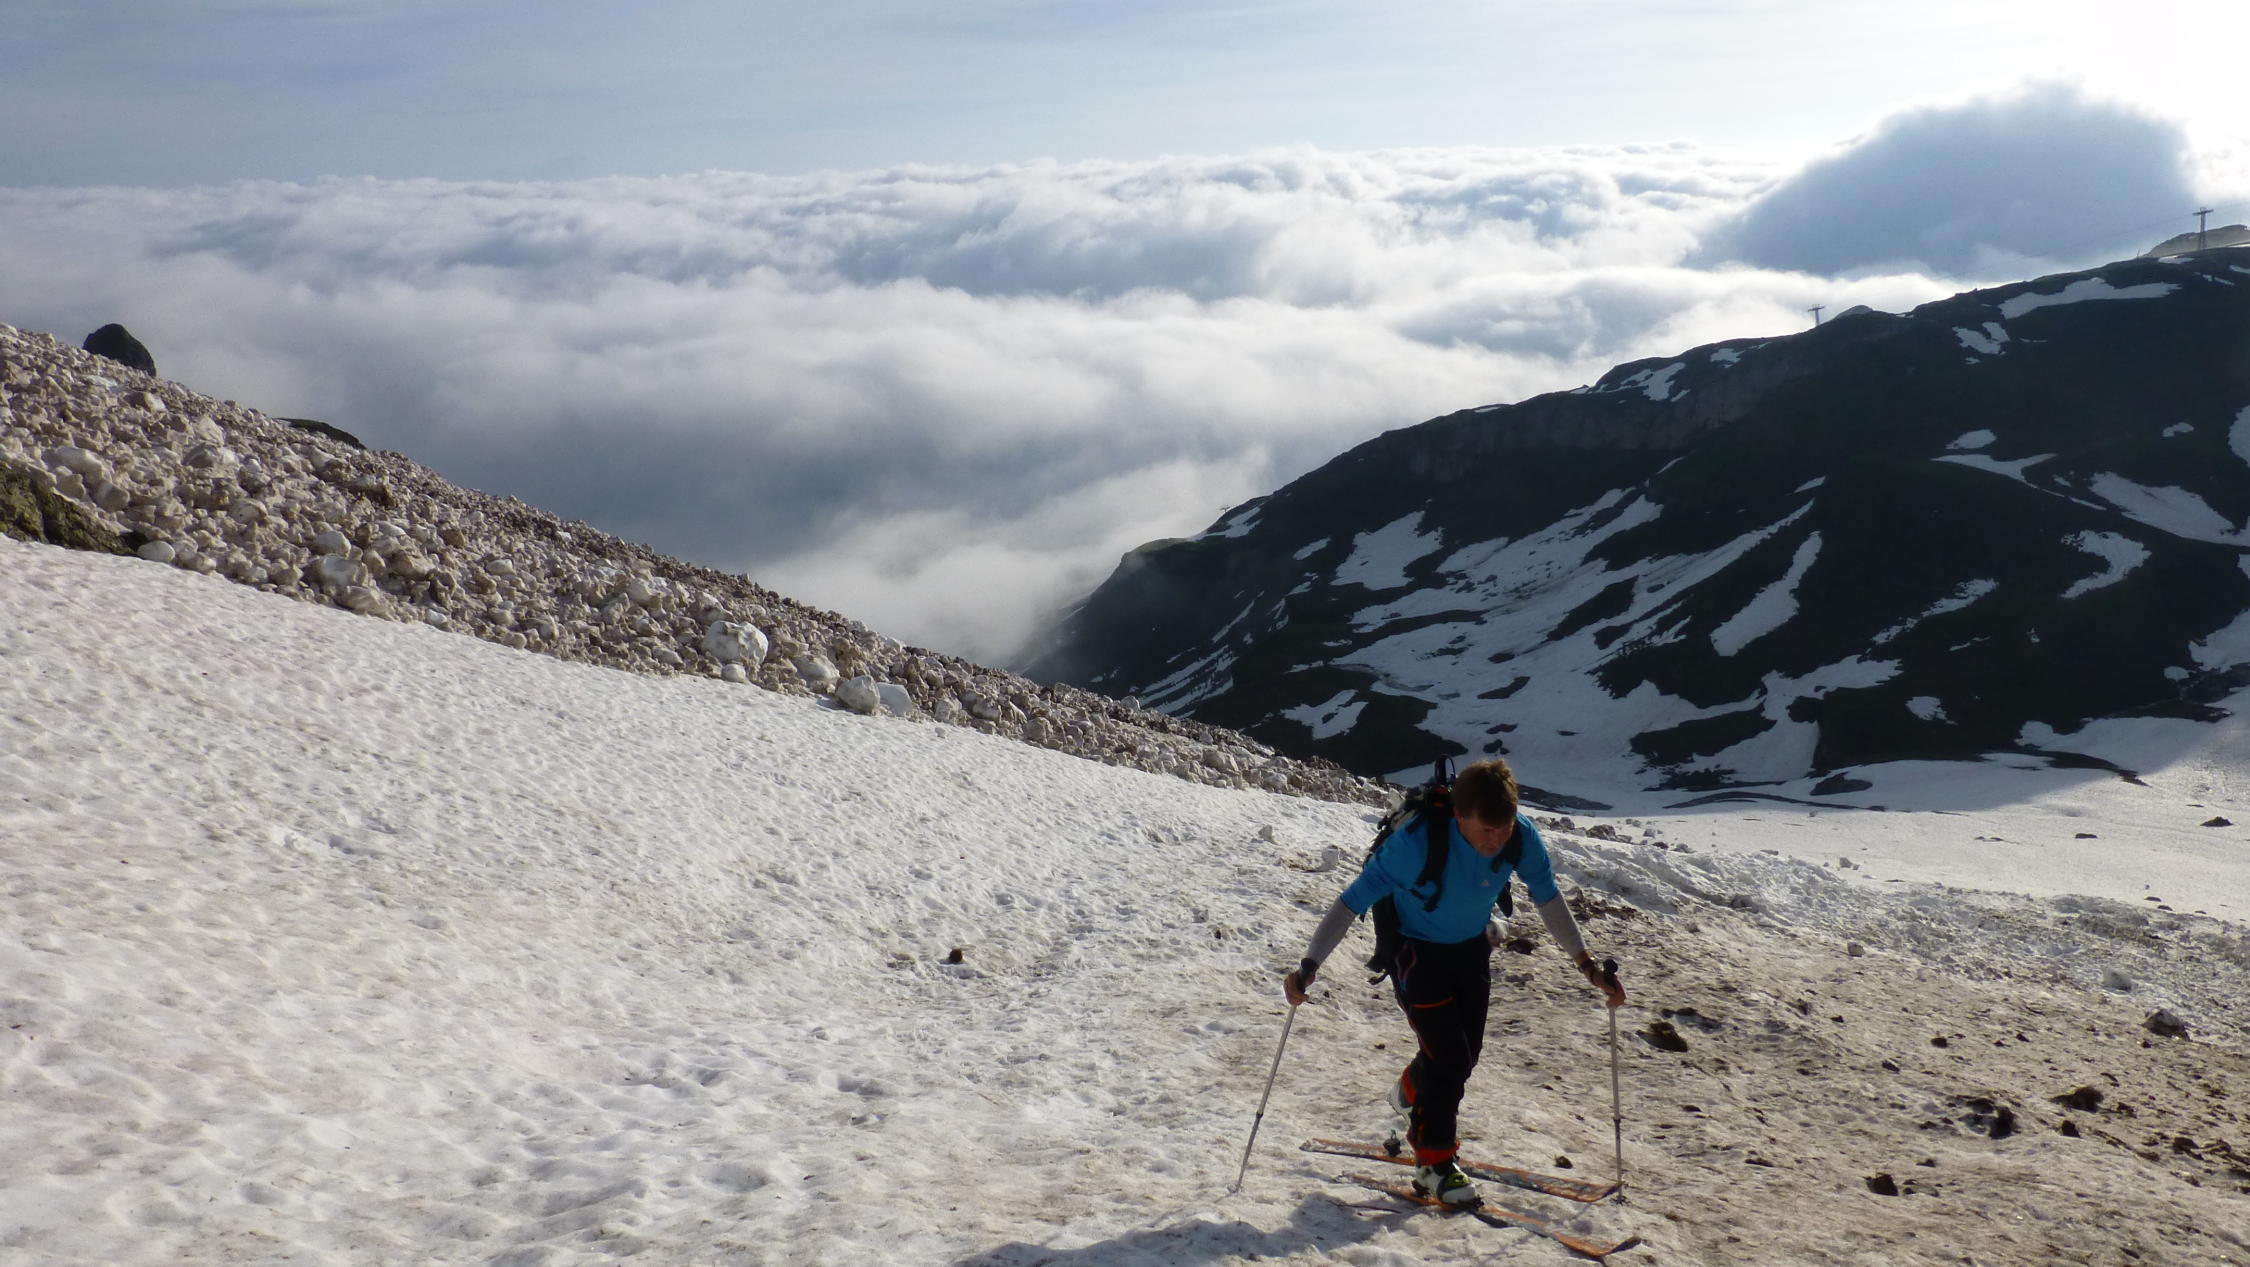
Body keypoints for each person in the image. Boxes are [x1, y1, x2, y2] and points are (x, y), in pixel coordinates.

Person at [1282, 757, 1626, 1207]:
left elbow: (1548, 899)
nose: (1495, 841)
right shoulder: (1414, 844)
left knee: (1463, 1058)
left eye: (1503, 829)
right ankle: (1434, 1165)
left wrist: (1587, 965)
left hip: (1470, 948)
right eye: (1487, 830)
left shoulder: (1521, 837)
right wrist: (1309, 966)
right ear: (1460, 816)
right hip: (1414, 952)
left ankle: (1410, 1091)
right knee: (1448, 1058)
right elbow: (1349, 903)